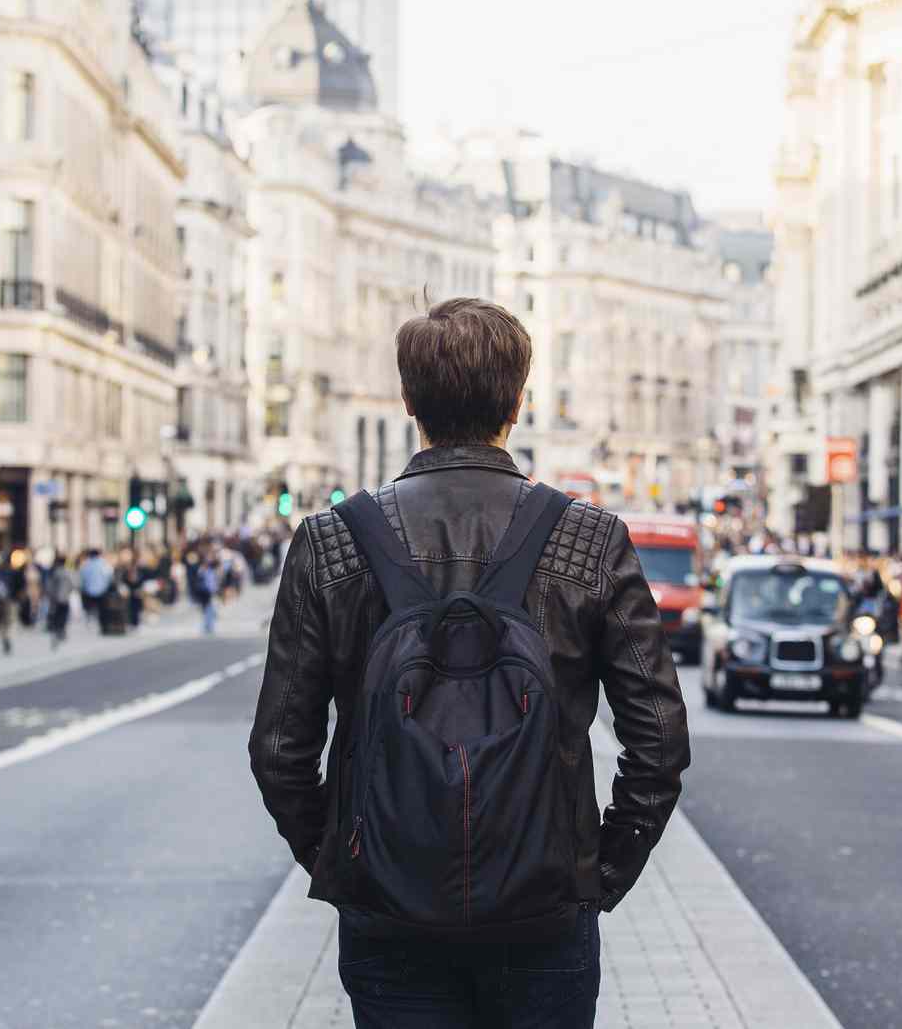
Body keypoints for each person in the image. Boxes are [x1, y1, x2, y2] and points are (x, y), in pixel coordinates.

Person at [249, 297, 687, 1028]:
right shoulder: (590, 538)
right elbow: (658, 738)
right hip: (545, 906)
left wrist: (346, 862)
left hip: (389, 911)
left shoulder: (330, 540)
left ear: (407, 402)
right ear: (518, 401)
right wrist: (598, 871)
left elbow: (279, 749)